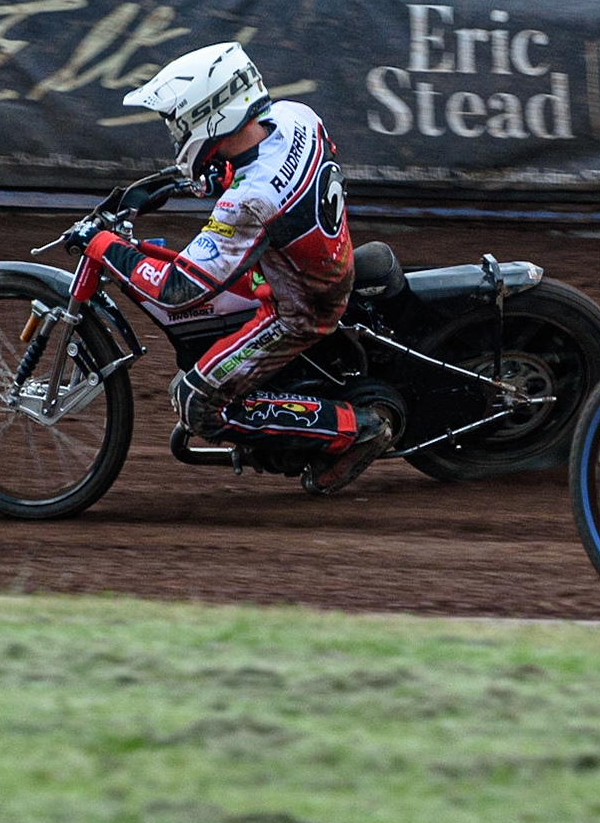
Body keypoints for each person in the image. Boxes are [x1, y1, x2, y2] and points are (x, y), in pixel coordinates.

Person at [71, 42, 393, 494]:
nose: (175, 133)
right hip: (307, 260)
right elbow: (260, 168)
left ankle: (355, 430)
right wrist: (207, 175)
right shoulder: (295, 116)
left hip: (300, 310)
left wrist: (104, 244)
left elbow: (179, 289)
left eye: (180, 123)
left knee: (197, 402)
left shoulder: (249, 202)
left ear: (213, 118)